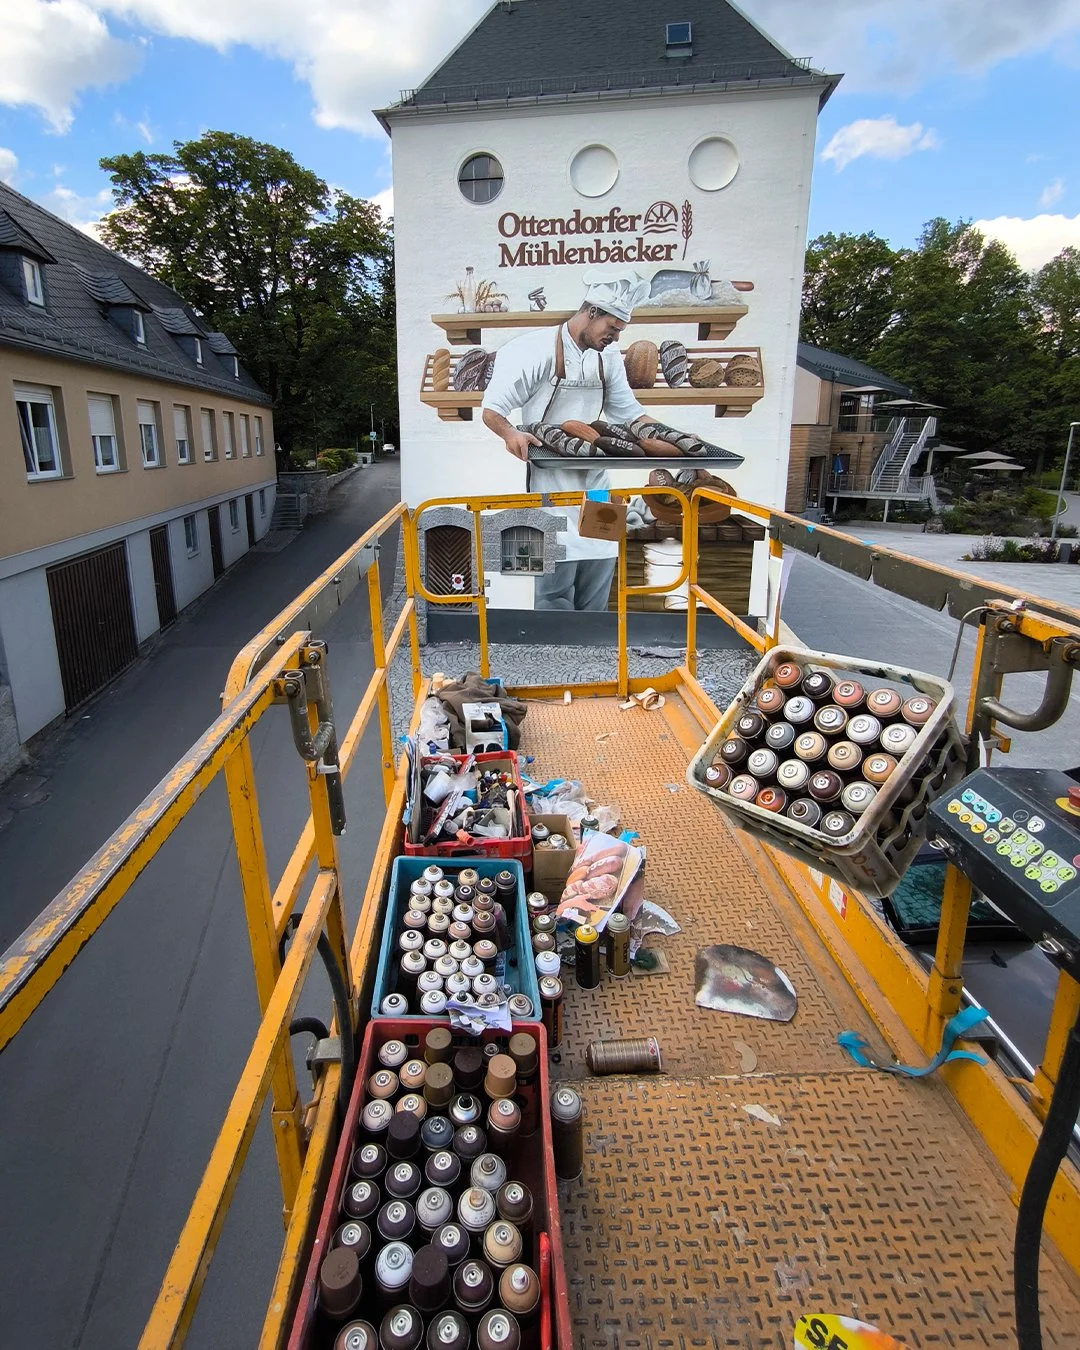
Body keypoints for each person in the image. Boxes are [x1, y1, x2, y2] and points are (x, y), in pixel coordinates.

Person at [481, 272, 651, 611]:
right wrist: (511, 433)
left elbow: (631, 413)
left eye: (620, 331)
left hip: (598, 488)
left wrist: (671, 438)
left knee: (597, 589)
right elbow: (492, 410)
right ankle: (554, 660)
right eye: (612, 329)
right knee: (551, 597)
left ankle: (592, 661)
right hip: (547, 490)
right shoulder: (531, 349)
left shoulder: (609, 359)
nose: (614, 338)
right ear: (591, 313)